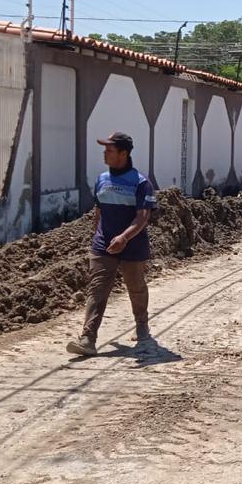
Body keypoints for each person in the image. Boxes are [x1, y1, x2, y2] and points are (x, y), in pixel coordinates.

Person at [67, 132, 158, 356]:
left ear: (123, 153)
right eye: (105, 149)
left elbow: (143, 217)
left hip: (133, 245)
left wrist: (124, 238)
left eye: (109, 150)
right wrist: (96, 236)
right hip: (103, 245)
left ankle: (142, 326)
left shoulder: (141, 183)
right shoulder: (102, 179)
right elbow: (99, 211)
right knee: (97, 289)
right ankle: (88, 338)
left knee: (135, 287)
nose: (104, 154)